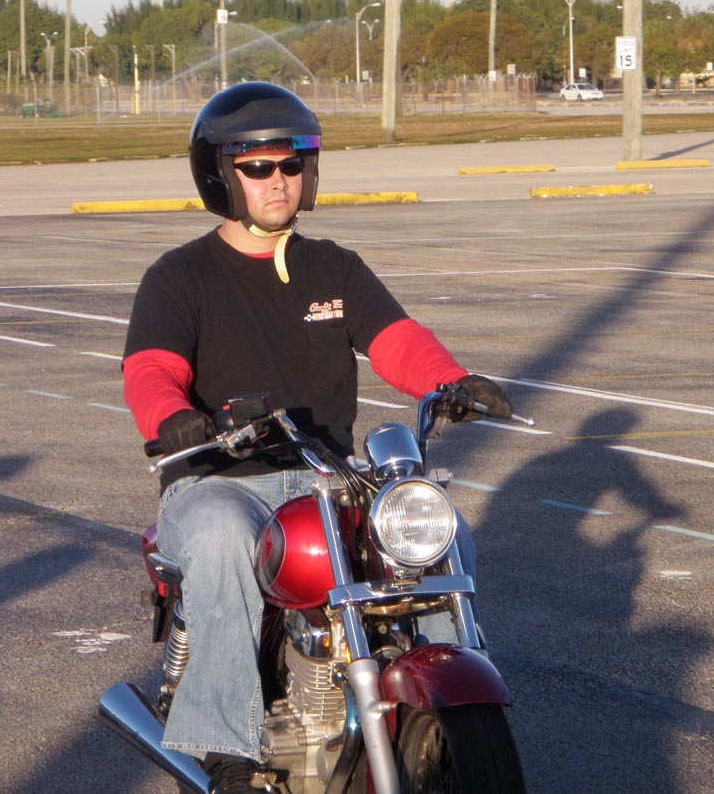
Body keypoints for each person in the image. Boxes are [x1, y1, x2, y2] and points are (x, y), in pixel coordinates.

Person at [122, 82, 512, 792]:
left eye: (292, 164)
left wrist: (450, 382)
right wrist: (174, 419)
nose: (279, 180)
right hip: (221, 481)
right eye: (257, 167)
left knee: (440, 532)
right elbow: (151, 370)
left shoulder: (334, 266)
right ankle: (227, 752)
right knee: (219, 537)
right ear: (220, 174)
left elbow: (396, 340)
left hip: (329, 476)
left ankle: (451, 705)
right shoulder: (180, 277)